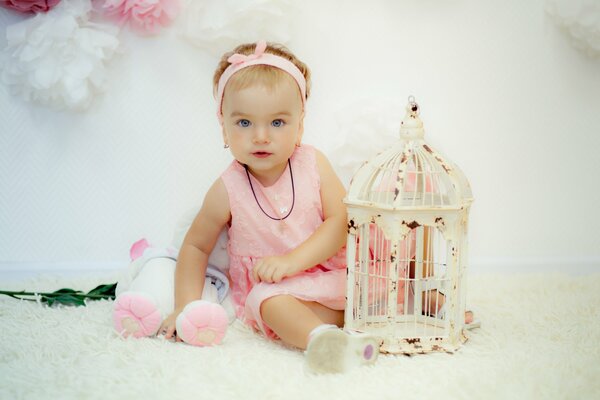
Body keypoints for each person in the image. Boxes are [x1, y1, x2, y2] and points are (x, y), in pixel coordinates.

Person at [158, 40, 379, 374]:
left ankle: (418, 307)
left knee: (384, 273)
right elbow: (195, 245)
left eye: (277, 123)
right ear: (224, 128)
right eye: (244, 123)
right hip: (285, 298)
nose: (261, 136)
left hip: (337, 277)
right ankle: (325, 341)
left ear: (300, 125)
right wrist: (185, 307)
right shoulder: (227, 189)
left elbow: (340, 221)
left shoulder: (313, 163)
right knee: (268, 302)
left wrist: (292, 261)